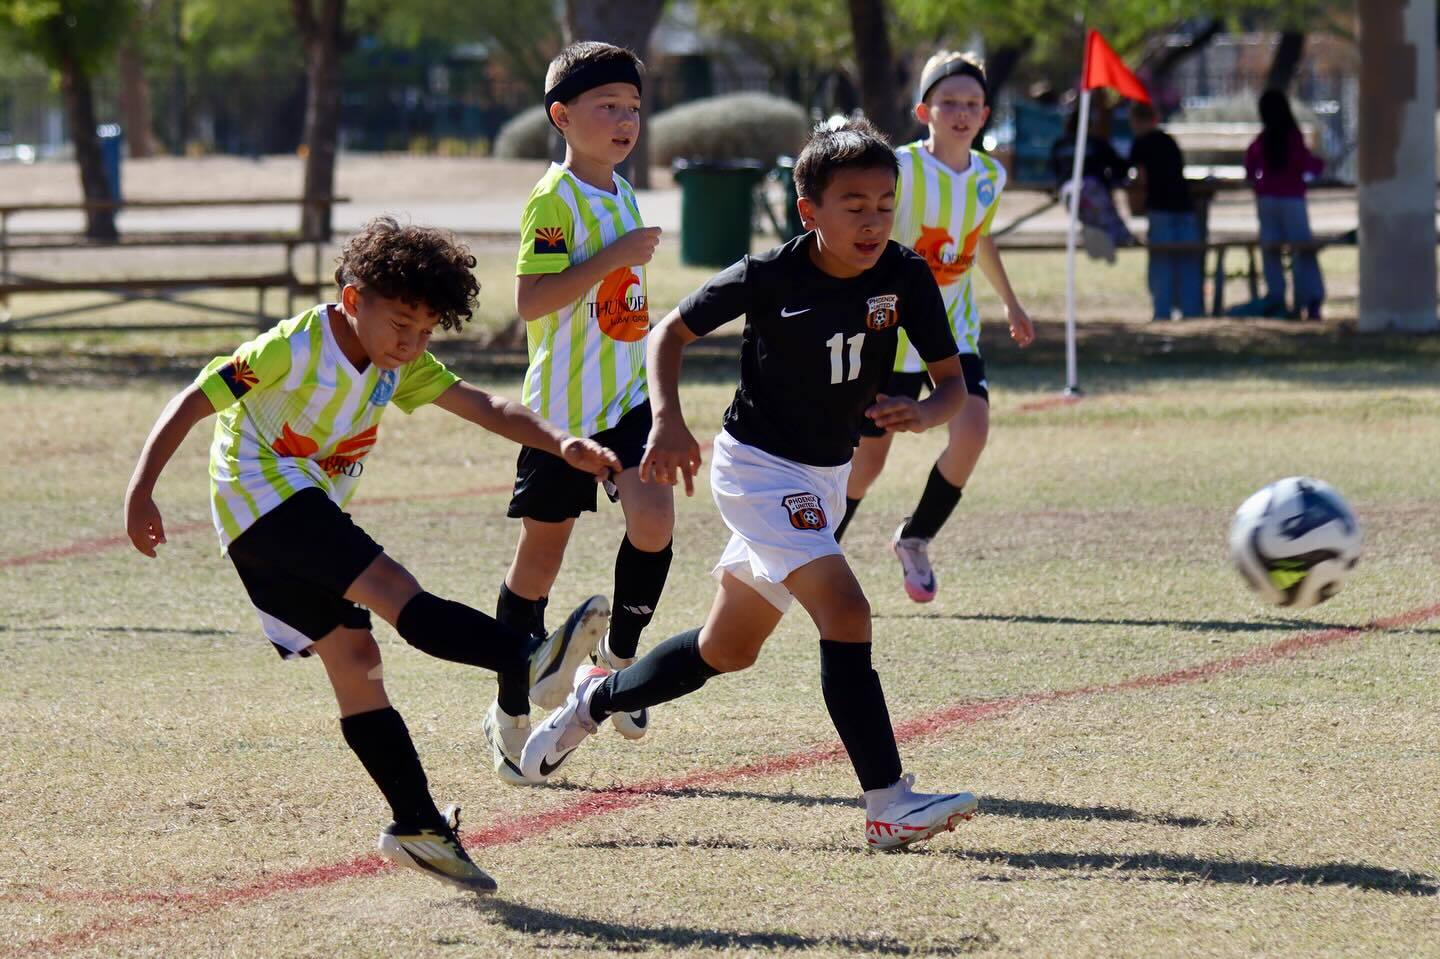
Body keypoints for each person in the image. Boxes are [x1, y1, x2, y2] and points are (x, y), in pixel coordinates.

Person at [519, 118, 980, 851]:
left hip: (823, 478)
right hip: (758, 468)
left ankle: (591, 703)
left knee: (725, 648)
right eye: (853, 204)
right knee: (847, 608)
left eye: (885, 203)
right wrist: (667, 422)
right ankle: (888, 801)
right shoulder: (771, 274)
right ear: (810, 212)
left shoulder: (906, 274)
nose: (872, 220)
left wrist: (923, 412)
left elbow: (953, 385)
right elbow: (667, 332)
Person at [122, 217, 618, 895]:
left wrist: (563, 443)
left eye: (425, 331)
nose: (411, 343)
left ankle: (415, 823)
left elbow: (487, 405)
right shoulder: (296, 344)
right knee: (391, 584)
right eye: (400, 325)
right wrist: (141, 489)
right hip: (261, 498)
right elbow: (195, 398)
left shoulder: (400, 362)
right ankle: (526, 658)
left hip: (282, 518)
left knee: (357, 662)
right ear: (354, 300)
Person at [486, 41, 675, 786]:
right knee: (540, 562)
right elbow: (533, 301)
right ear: (563, 117)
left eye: (632, 107)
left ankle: (617, 667)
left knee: (653, 520)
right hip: (561, 418)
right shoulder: (554, 198)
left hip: (625, 408)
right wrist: (617, 254)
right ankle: (507, 709)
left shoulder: (624, 192)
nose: (625, 120)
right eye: (608, 107)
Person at [831, 51, 1035, 604]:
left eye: (972, 103)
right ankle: (818, 553)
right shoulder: (901, 169)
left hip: (955, 335)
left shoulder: (990, 175)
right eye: (950, 102)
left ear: (987, 113)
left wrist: (1012, 304)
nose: (961, 112)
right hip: (892, 338)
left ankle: (916, 537)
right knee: (867, 463)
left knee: (972, 433)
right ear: (925, 110)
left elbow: (980, 238)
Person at [1244, 89, 1325, 320]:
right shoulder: (1293, 136)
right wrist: (1320, 165)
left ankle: (1276, 298)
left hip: (1266, 199)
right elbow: (1304, 163)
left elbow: (1250, 166)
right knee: (1302, 249)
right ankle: (1309, 299)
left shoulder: (1263, 139)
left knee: (1271, 250)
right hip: (1292, 199)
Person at [1127, 101, 1205, 320]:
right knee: (1187, 262)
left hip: (1160, 208)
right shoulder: (1168, 140)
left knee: (1162, 263)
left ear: (1136, 120)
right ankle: (1191, 311)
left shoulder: (1141, 143)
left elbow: (1139, 176)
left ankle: (1162, 312)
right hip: (1184, 206)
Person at [1049, 105, 1135, 257]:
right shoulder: (1095, 143)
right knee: (1106, 221)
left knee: (1095, 221)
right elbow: (1119, 166)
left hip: (1068, 192)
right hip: (1090, 189)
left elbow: (1053, 171)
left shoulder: (1060, 144)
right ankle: (1118, 240)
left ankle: (1104, 244)